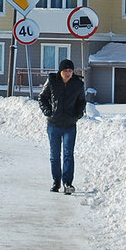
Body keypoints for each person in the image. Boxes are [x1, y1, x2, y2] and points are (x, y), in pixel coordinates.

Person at [38, 58, 86, 195]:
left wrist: (78, 114)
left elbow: (82, 101)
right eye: (65, 71)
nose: (68, 73)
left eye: (70, 71)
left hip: (70, 125)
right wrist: (48, 112)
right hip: (54, 124)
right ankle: (56, 181)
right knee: (54, 155)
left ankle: (68, 183)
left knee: (68, 154)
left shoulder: (78, 84)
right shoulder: (52, 81)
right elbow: (42, 98)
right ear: (60, 71)